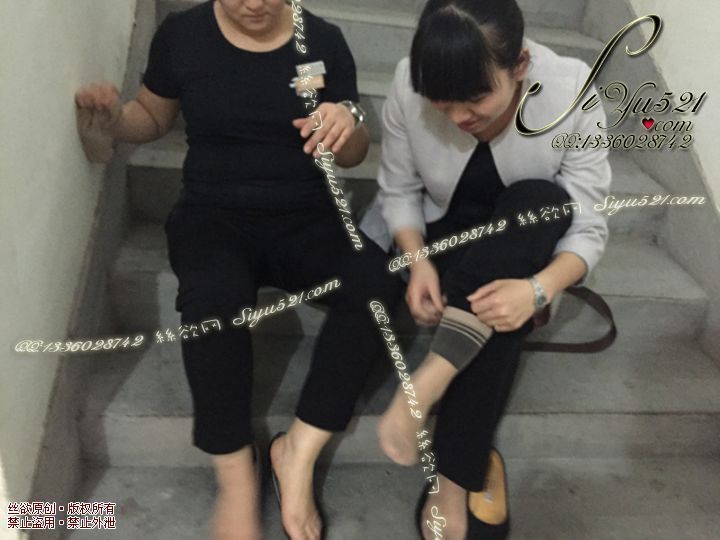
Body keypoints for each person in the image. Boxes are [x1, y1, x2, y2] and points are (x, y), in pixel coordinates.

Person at [74, 1, 400, 539]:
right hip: (213, 214)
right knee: (212, 303)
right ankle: (235, 476)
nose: (253, 3)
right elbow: (152, 116)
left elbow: (352, 153)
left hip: (308, 214)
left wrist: (349, 121)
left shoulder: (322, 39)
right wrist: (112, 120)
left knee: (376, 283)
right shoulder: (183, 35)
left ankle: (298, 451)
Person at [359, 0, 612, 538]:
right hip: (441, 235)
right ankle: (459, 474)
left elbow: (587, 226)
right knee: (496, 309)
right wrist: (417, 262)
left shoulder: (571, 90)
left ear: (519, 65)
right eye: (442, 103)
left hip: (521, 247)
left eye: (475, 99)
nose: (457, 117)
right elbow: (399, 190)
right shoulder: (409, 79)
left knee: (540, 204)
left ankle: (432, 388)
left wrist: (539, 289)